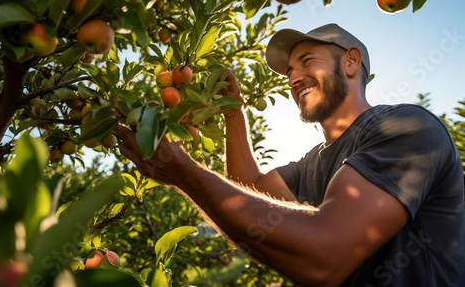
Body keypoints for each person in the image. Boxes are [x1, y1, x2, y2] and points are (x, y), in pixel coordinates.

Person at [115, 24, 465, 286]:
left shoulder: (406, 128)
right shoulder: (311, 163)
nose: (293, 78)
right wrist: (232, 111)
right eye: (288, 72)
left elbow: (325, 256)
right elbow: (245, 193)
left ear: (351, 62)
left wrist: (184, 173)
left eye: (306, 62)